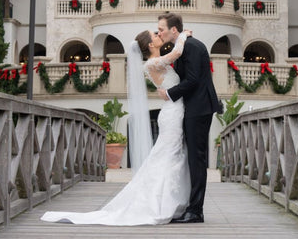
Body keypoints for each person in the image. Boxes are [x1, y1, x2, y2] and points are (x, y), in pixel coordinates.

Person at [41, 29, 192, 225]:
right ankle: (161, 203)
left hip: (173, 110)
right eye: (155, 34)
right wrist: (183, 35)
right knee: (168, 155)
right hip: (172, 113)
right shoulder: (153, 63)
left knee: (170, 155)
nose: (158, 35)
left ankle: (172, 201)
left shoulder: (158, 61)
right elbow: (177, 53)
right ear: (150, 45)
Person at [157, 13, 222, 224]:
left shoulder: (192, 47)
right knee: (193, 158)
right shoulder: (183, 45)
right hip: (192, 107)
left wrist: (170, 93)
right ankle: (191, 207)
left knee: (197, 159)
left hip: (199, 107)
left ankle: (196, 211)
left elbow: (193, 79)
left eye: (162, 29)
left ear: (173, 30)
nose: (160, 32)